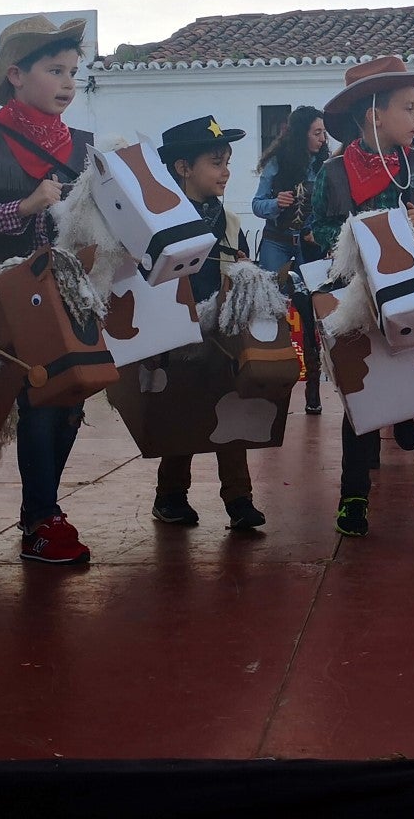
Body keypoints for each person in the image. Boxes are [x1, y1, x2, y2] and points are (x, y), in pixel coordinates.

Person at [0, 14, 98, 564]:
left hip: (70, 293)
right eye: (54, 70)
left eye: (73, 72)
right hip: (7, 295)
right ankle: (41, 517)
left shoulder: (84, 146)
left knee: (71, 399)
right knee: (43, 397)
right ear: (16, 75)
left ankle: (42, 510)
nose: (68, 83)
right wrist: (26, 205)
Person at [310, 57, 414, 536]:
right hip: (359, 301)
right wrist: (356, 236)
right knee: (365, 395)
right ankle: (354, 494)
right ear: (375, 114)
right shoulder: (333, 174)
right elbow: (319, 228)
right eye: (409, 108)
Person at [152, 115, 267, 531]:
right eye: (216, 163)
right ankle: (170, 495)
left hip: (221, 333)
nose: (226, 172)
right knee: (181, 411)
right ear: (183, 167)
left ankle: (239, 499)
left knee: (230, 408)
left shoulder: (227, 220)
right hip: (176, 333)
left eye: (227, 162)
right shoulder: (160, 219)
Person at [252, 105, 331, 414]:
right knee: (271, 311)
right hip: (277, 244)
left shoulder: (325, 166)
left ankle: (313, 388)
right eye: (317, 133)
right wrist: (276, 203)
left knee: (311, 316)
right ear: (301, 135)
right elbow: (257, 204)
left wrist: (317, 233)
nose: (323, 139)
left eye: (324, 133)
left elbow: (328, 208)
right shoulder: (277, 163)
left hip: (307, 250)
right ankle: (270, 382)